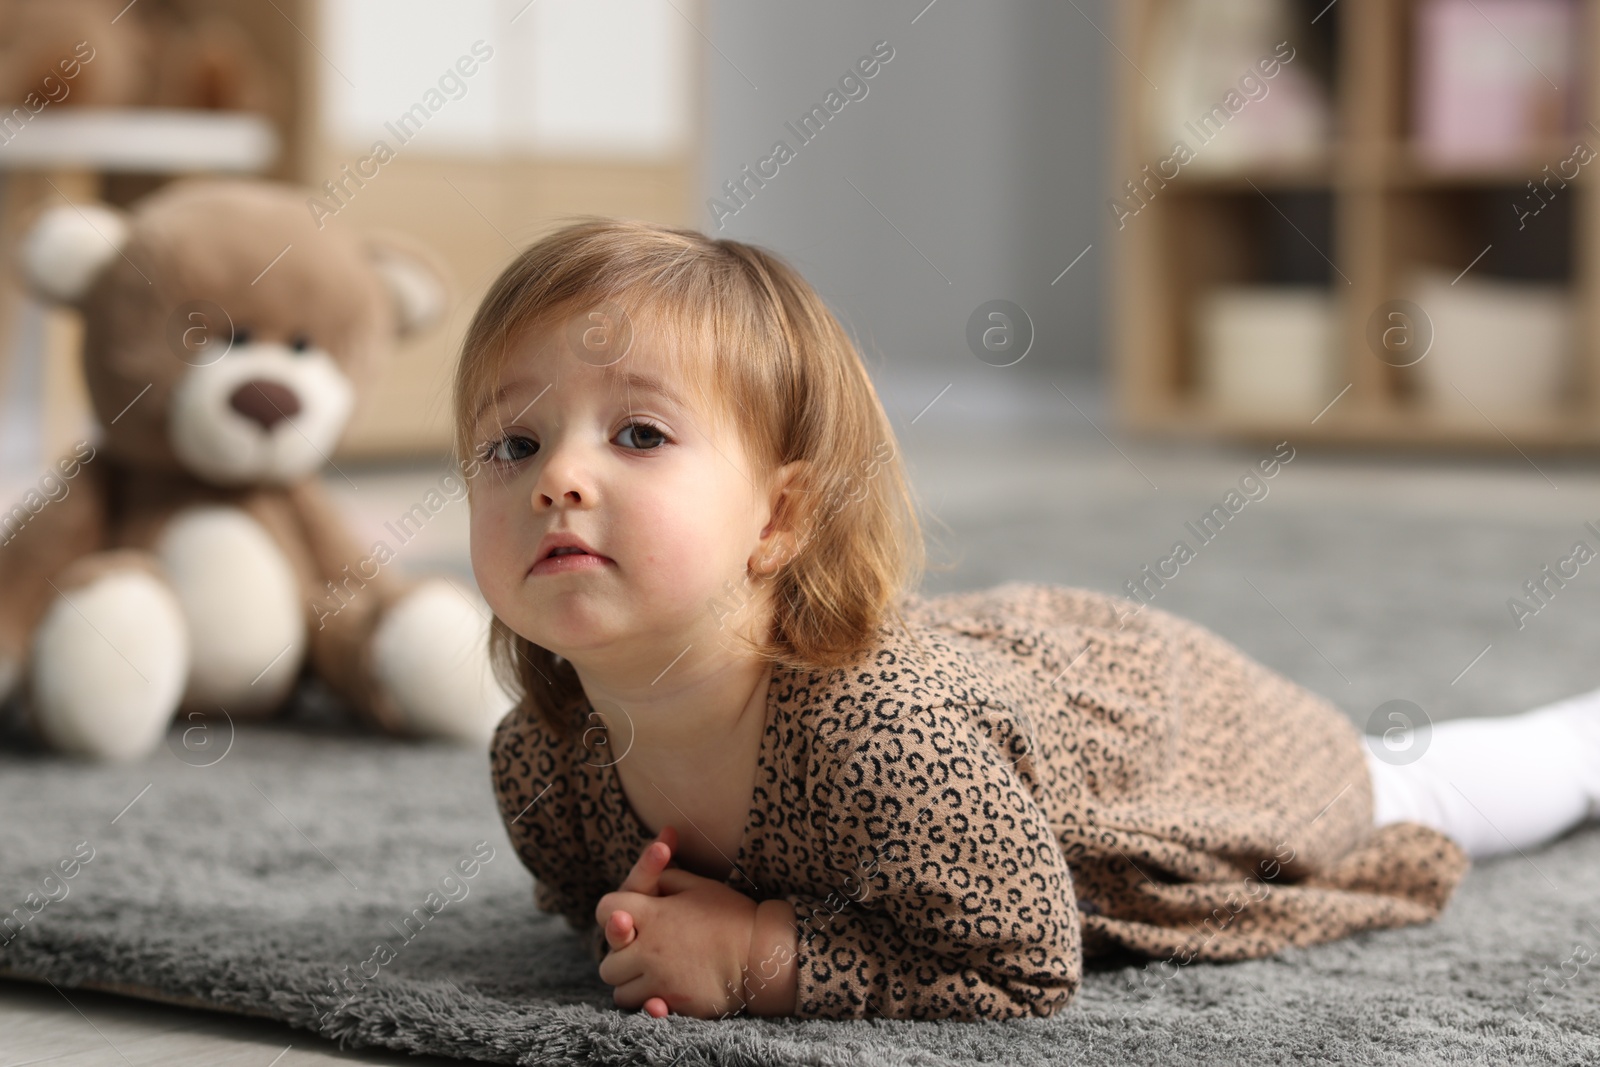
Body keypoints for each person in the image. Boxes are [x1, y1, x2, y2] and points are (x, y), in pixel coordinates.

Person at [456, 218, 1600, 1023]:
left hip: (1176, 736)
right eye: (513, 443)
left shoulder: (878, 736)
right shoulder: (542, 763)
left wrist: (762, 955)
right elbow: (606, 910)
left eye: (638, 435)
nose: (557, 478)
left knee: (1399, 784)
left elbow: (1021, 960)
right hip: (1003, 670)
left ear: (782, 515)